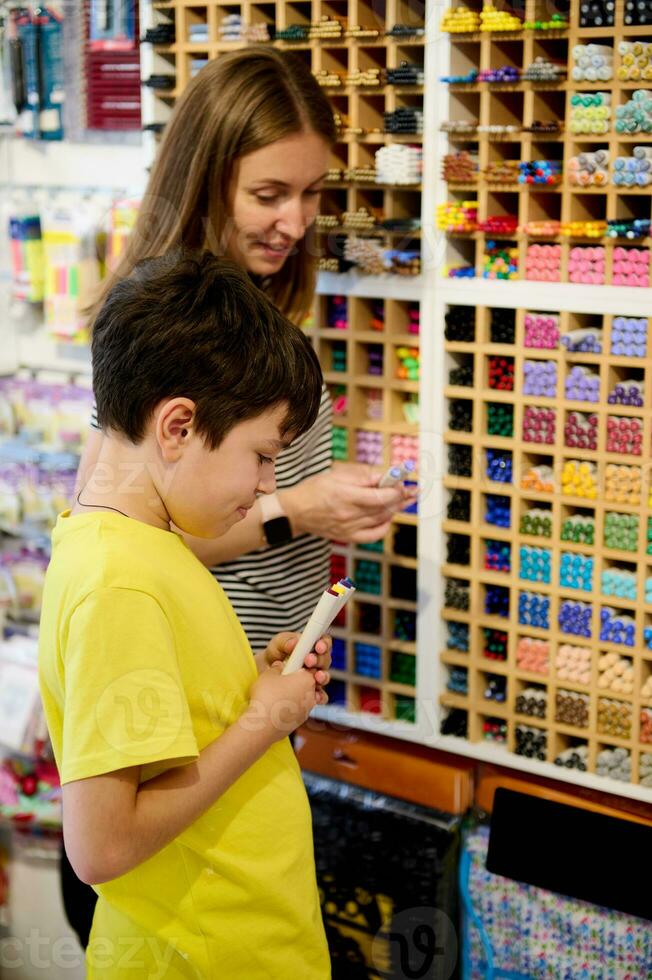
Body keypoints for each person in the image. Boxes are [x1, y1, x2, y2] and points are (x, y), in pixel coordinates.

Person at [40, 252, 334, 979]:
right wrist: (264, 721)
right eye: (263, 455)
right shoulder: (122, 581)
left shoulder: (147, 545)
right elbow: (102, 847)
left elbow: (172, 728)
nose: (267, 485)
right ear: (177, 426)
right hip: (199, 957)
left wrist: (257, 688)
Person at [79, 46, 415, 650]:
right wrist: (300, 509)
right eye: (269, 195)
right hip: (205, 668)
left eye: (312, 191)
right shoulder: (173, 316)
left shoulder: (249, 299)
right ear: (206, 181)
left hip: (261, 664)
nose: (296, 221)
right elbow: (122, 526)